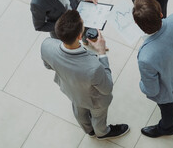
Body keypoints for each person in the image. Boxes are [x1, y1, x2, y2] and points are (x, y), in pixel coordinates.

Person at [41, 10, 129, 140]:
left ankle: (89, 131)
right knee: (98, 116)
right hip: (94, 100)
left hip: (71, 91)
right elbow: (107, 88)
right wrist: (102, 53)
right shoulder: (93, 67)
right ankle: (102, 133)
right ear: (79, 36)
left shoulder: (46, 45)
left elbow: (48, 66)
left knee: (79, 109)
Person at [132, 0, 173, 138]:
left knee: (168, 109)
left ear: (137, 23)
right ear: (160, 13)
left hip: (165, 84)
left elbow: (152, 90)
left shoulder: (145, 57)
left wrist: (141, 85)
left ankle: (166, 129)